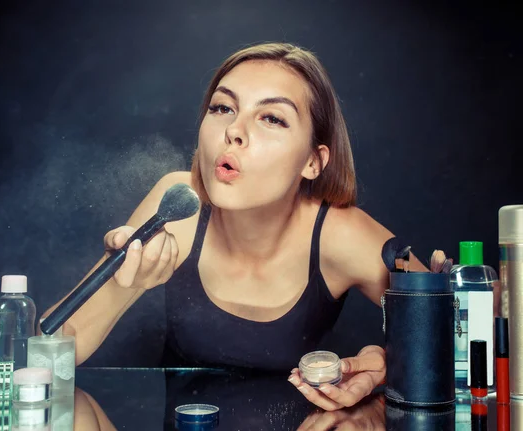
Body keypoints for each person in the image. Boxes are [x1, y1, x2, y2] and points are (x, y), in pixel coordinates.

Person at [42, 42, 427, 411]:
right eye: (223, 108)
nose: (234, 131)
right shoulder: (180, 206)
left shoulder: (340, 233)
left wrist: (385, 363)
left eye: (272, 118)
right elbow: (52, 349)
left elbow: (464, 321)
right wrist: (123, 279)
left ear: (313, 160)